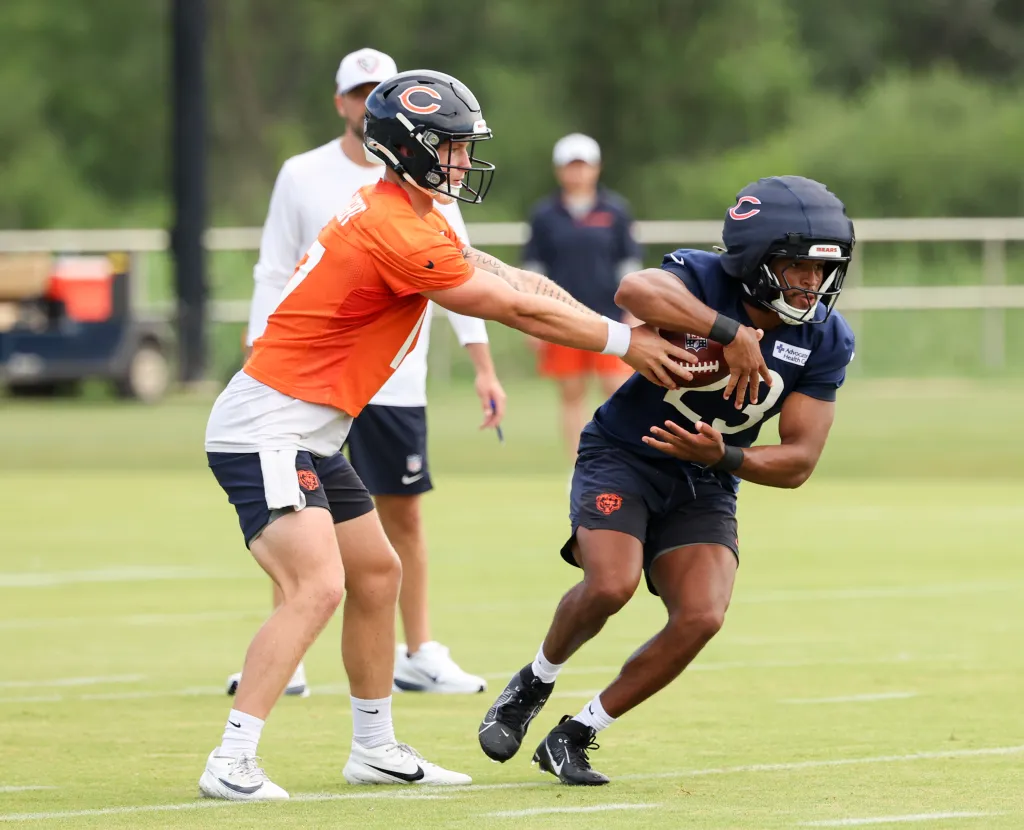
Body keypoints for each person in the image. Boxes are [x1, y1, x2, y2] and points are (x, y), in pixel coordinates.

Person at [199, 68, 694, 800]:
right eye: (452, 145)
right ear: (410, 147)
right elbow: (511, 309)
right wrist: (623, 344)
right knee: (318, 585)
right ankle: (231, 758)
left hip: (306, 430)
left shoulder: (411, 208)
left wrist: (607, 323)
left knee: (378, 573)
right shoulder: (396, 226)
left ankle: (374, 746)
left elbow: (512, 281)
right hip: (268, 427)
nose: (464, 159)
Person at [478, 175, 857, 786]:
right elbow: (635, 288)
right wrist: (729, 333)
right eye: (795, 267)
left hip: (706, 477)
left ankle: (578, 732)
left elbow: (799, 460)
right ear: (756, 261)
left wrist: (723, 457)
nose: (810, 284)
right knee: (611, 585)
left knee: (703, 615)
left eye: (821, 270)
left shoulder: (826, 339)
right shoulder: (709, 279)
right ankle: (533, 683)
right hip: (626, 453)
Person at [227, 47, 502, 699]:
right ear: (344, 103)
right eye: (359, 91)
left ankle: (420, 650)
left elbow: (463, 270)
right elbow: (274, 268)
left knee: (401, 517)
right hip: (310, 379)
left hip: (395, 380)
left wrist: (483, 367)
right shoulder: (301, 173)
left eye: (380, 88)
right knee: (294, 509)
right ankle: (286, 651)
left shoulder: (433, 177)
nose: (366, 100)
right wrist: (259, 349)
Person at [522, 133, 642, 463]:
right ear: (559, 170)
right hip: (560, 317)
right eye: (570, 166)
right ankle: (582, 467)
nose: (577, 173)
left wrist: (634, 312)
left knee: (617, 391)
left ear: (596, 168)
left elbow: (629, 265)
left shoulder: (615, 211)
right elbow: (533, 268)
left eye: (583, 166)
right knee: (571, 394)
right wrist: (531, 320)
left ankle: (621, 463)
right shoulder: (545, 215)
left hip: (609, 315)